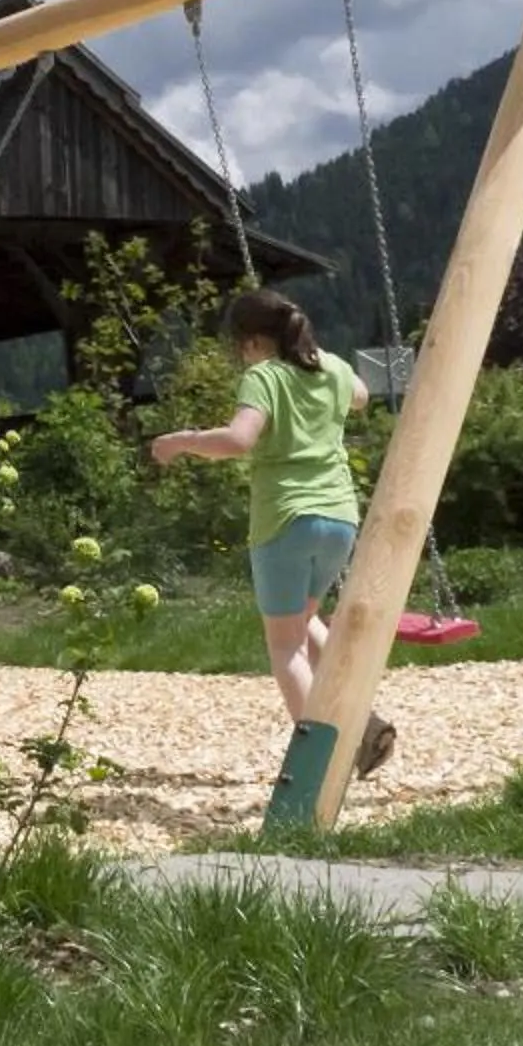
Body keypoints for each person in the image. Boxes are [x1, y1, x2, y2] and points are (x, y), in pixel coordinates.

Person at [147, 288, 397, 775]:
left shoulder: (264, 376)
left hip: (286, 519)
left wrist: (182, 442)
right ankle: (361, 723)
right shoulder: (333, 370)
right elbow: (362, 398)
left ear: (253, 342)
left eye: (240, 347)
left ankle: (326, 758)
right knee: (303, 622)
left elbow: (239, 440)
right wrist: (319, 360)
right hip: (340, 518)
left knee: (285, 647)